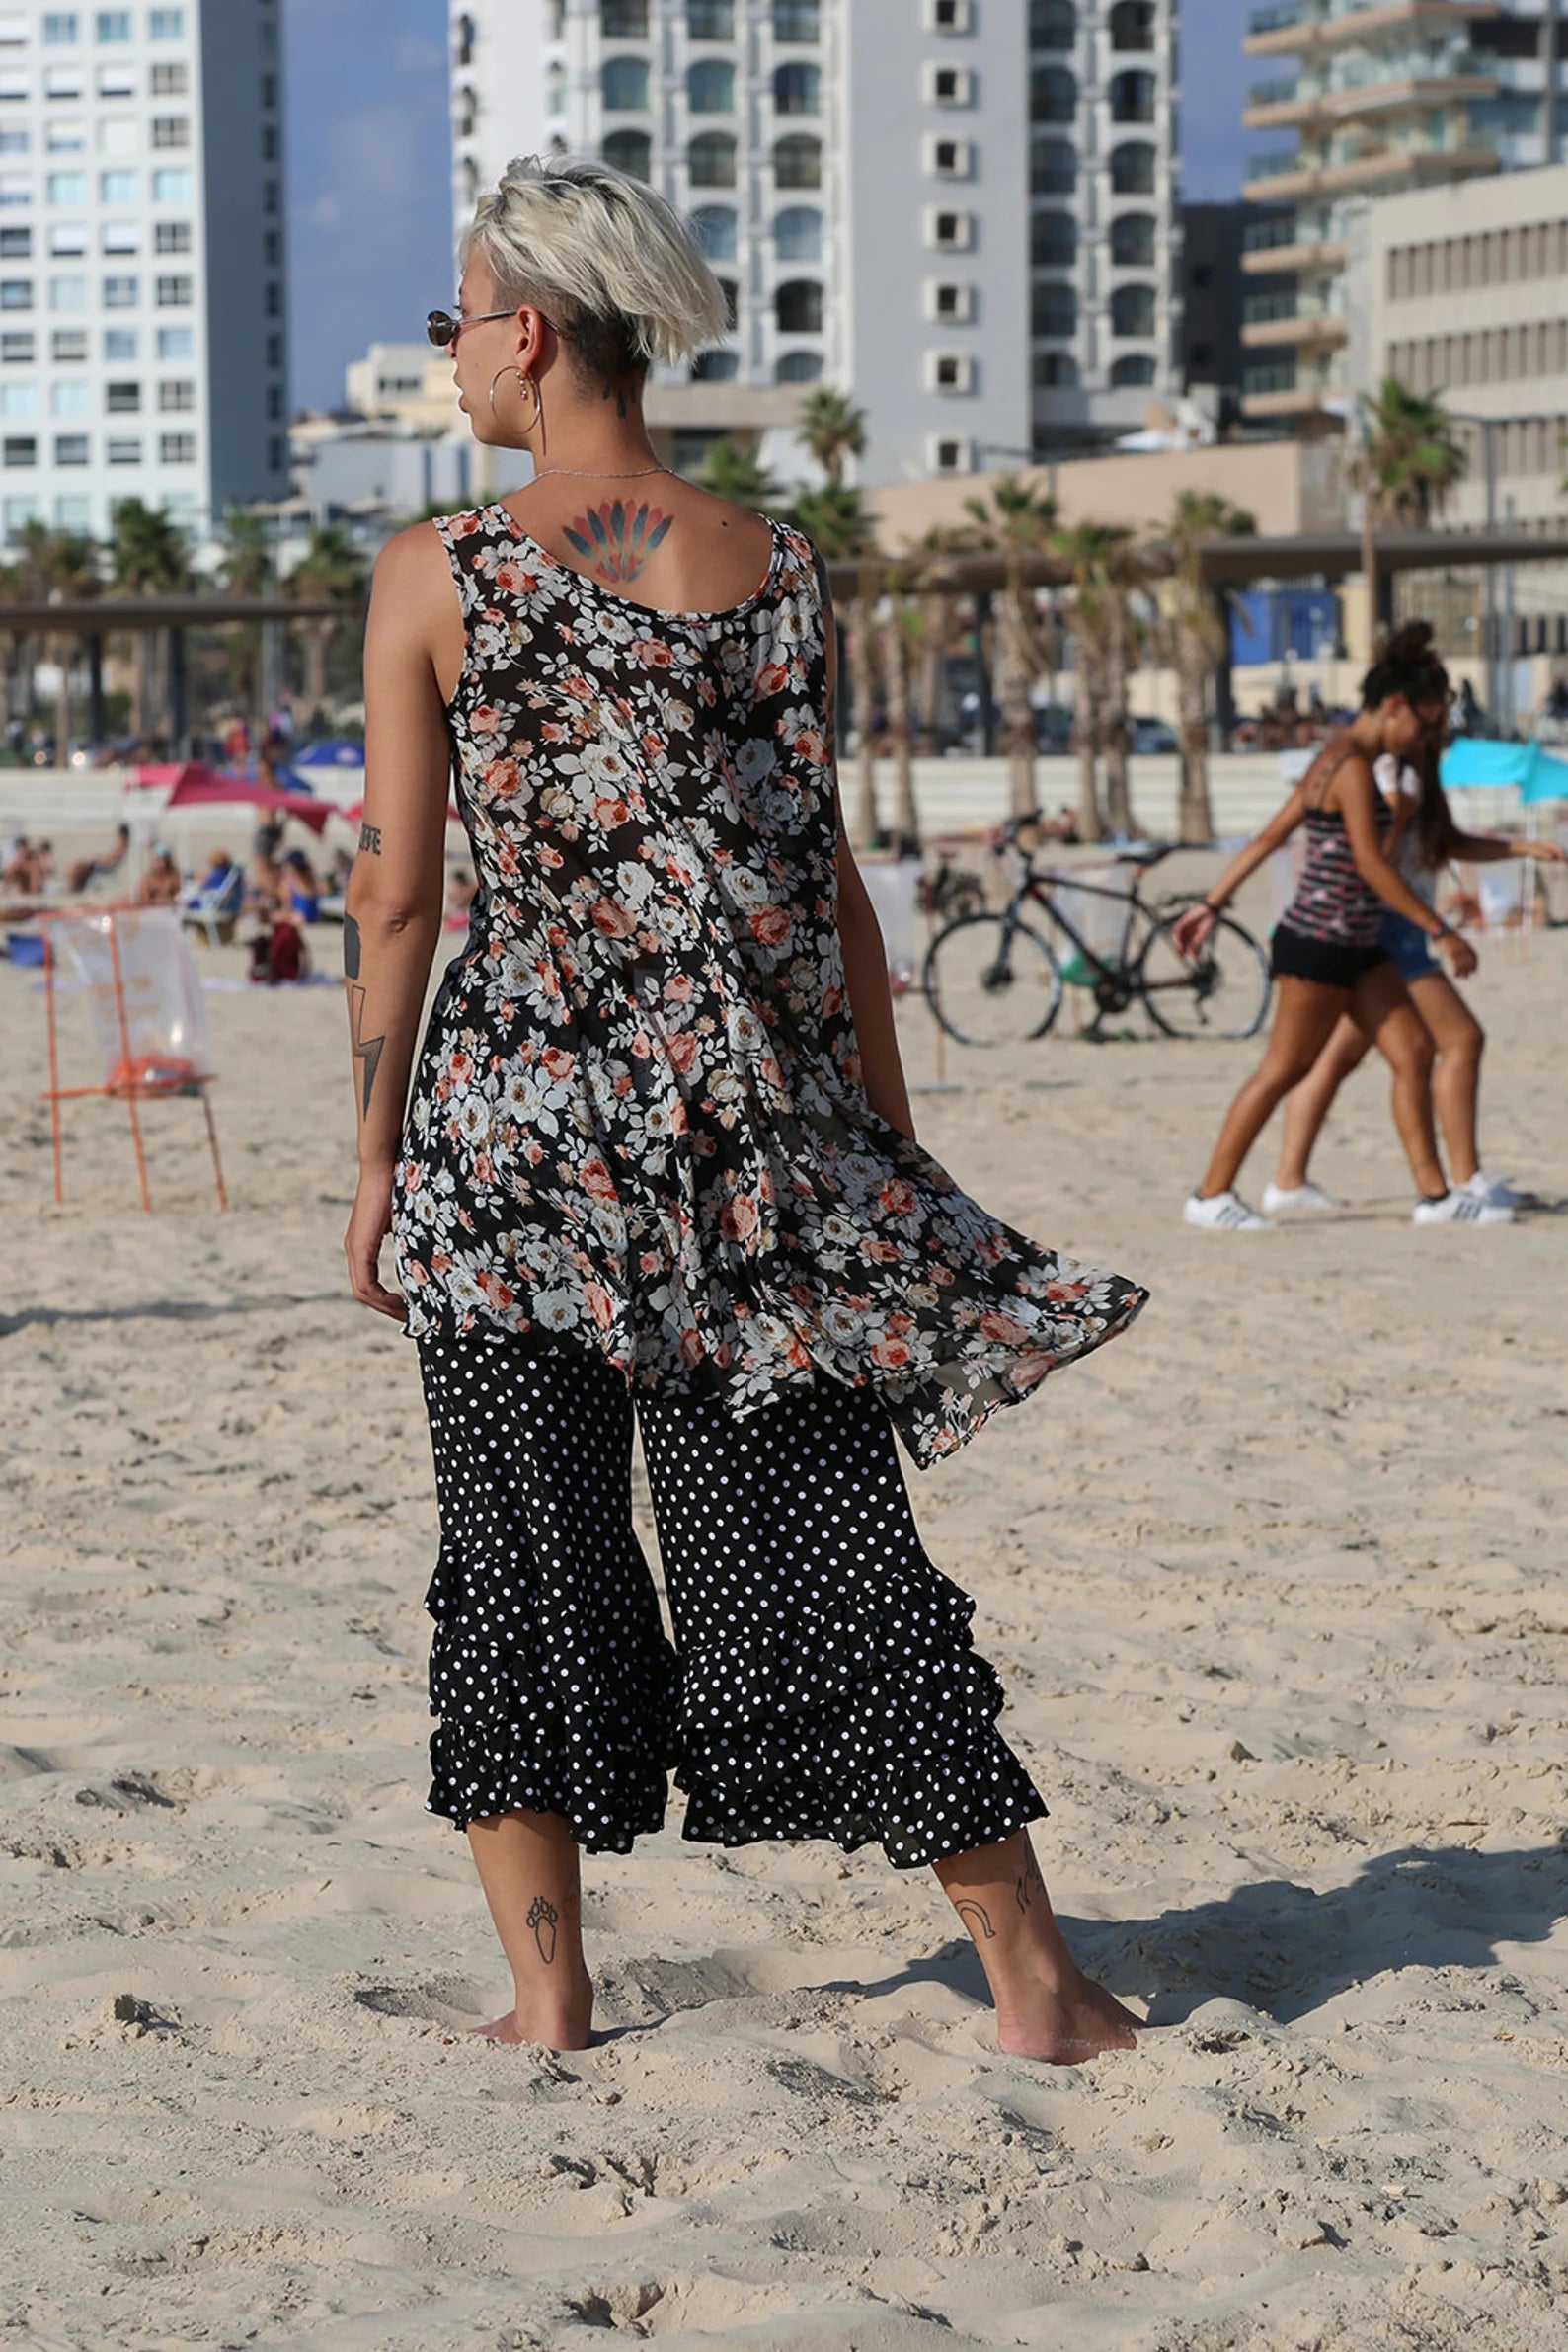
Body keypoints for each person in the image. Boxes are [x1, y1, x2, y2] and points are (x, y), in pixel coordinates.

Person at [341, 154, 1149, 2064]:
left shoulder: (439, 572)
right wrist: (876, 1129)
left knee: (523, 1552)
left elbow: (396, 894)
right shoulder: (775, 565)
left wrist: (370, 1163)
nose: (450, 354)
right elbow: (829, 880)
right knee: (820, 1537)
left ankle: (548, 1997)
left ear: (526, 333)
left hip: (515, 1141)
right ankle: (1033, 1981)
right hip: (741, 1152)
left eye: (453, 321)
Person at [1174, 623, 1484, 1230]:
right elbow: (1370, 864)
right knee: (1284, 1068)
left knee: (1414, 1050)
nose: (1422, 740)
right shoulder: (1351, 766)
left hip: (1357, 944)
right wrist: (1438, 928)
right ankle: (1210, 1195)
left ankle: (1435, 1196)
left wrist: (1212, 903)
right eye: (1420, 725)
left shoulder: (1336, 757)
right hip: (1318, 942)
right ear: (1393, 706)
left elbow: (1270, 835)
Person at [1268, 738, 1567, 1215]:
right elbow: (1372, 856)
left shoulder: (1415, 766)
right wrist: (1440, 927)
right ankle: (1462, 1180)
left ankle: (1288, 1180)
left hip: (1393, 928)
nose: (1440, 720)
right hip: (1390, 928)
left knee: (1337, 1056)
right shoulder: (1381, 770)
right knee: (1460, 1040)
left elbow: (1443, 842)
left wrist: (1523, 847)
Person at [66, 821, 130, 896]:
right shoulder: (122, 845)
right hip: (104, 864)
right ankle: (76, 887)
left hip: (106, 866)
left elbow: (110, 860)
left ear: (122, 835)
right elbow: (110, 857)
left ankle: (74, 888)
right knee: (78, 865)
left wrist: (96, 860)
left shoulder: (122, 846)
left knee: (77, 867)